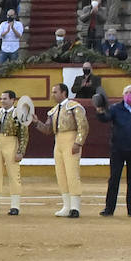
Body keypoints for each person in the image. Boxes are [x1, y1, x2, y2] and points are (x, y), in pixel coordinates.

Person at [32, 84, 89, 218]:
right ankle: (66, 206)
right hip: (58, 143)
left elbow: (83, 126)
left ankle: (75, 207)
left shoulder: (74, 106)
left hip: (71, 140)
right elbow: (47, 130)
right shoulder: (53, 111)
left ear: (63, 93)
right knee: (61, 175)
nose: (53, 95)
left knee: (72, 173)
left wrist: (78, 142)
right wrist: (36, 122)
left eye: (55, 92)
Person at [94, 86, 131, 218]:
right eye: (126, 93)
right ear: (123, 95)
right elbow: (105, 118)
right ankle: (109, 208)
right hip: (118, 149)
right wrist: (100, 111)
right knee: (114, 179)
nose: (129, 95)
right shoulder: (115, 108)